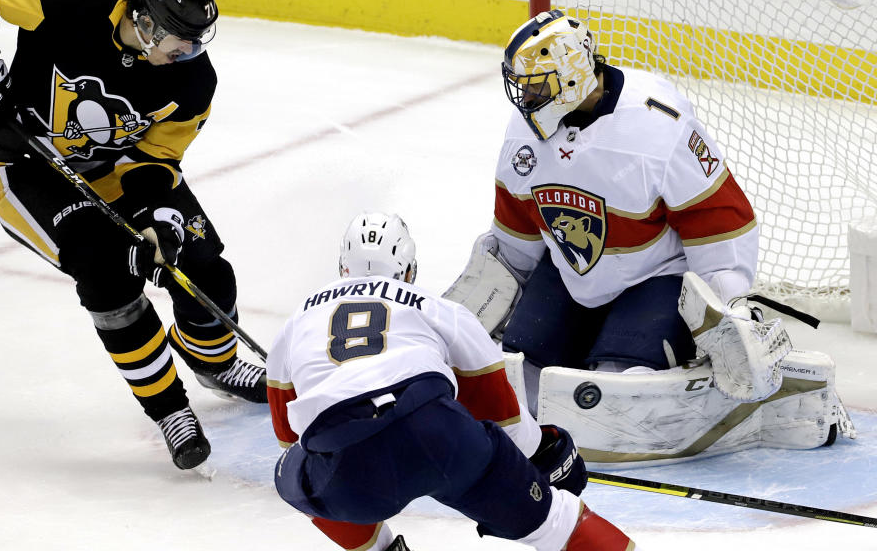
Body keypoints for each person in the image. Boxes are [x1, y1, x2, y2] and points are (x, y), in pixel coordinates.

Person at [0, 0, 266, 470]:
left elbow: (155, 159)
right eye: (177, 40)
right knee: (106, 272)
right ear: (143, 20)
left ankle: (216, 362)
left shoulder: (192, 81)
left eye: (196, 41)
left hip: (116, 171)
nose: (188, 52)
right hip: (24, 169)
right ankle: (169, 411)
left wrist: (157, 222)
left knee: (202, 263)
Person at [449, 9, 763, 414]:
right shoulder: (522, 134)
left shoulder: (658, 124)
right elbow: (515, 243)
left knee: (619, 391)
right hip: (570, 277)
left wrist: (728, 310)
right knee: (520, 378)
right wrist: (465, 324)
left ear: (571, 77)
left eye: (535, 87)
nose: (525, 100)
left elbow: (721, 224)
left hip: (656, 278)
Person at [266, 212, 637, 551]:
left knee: (288, 472)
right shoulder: (433, 306)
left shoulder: (296, 322)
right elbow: (501, 412)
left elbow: (290, 442)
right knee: (557, 522)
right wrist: (544, 456)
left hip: (349, 464)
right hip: (438, 434)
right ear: (409, 269)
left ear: (343, 268)